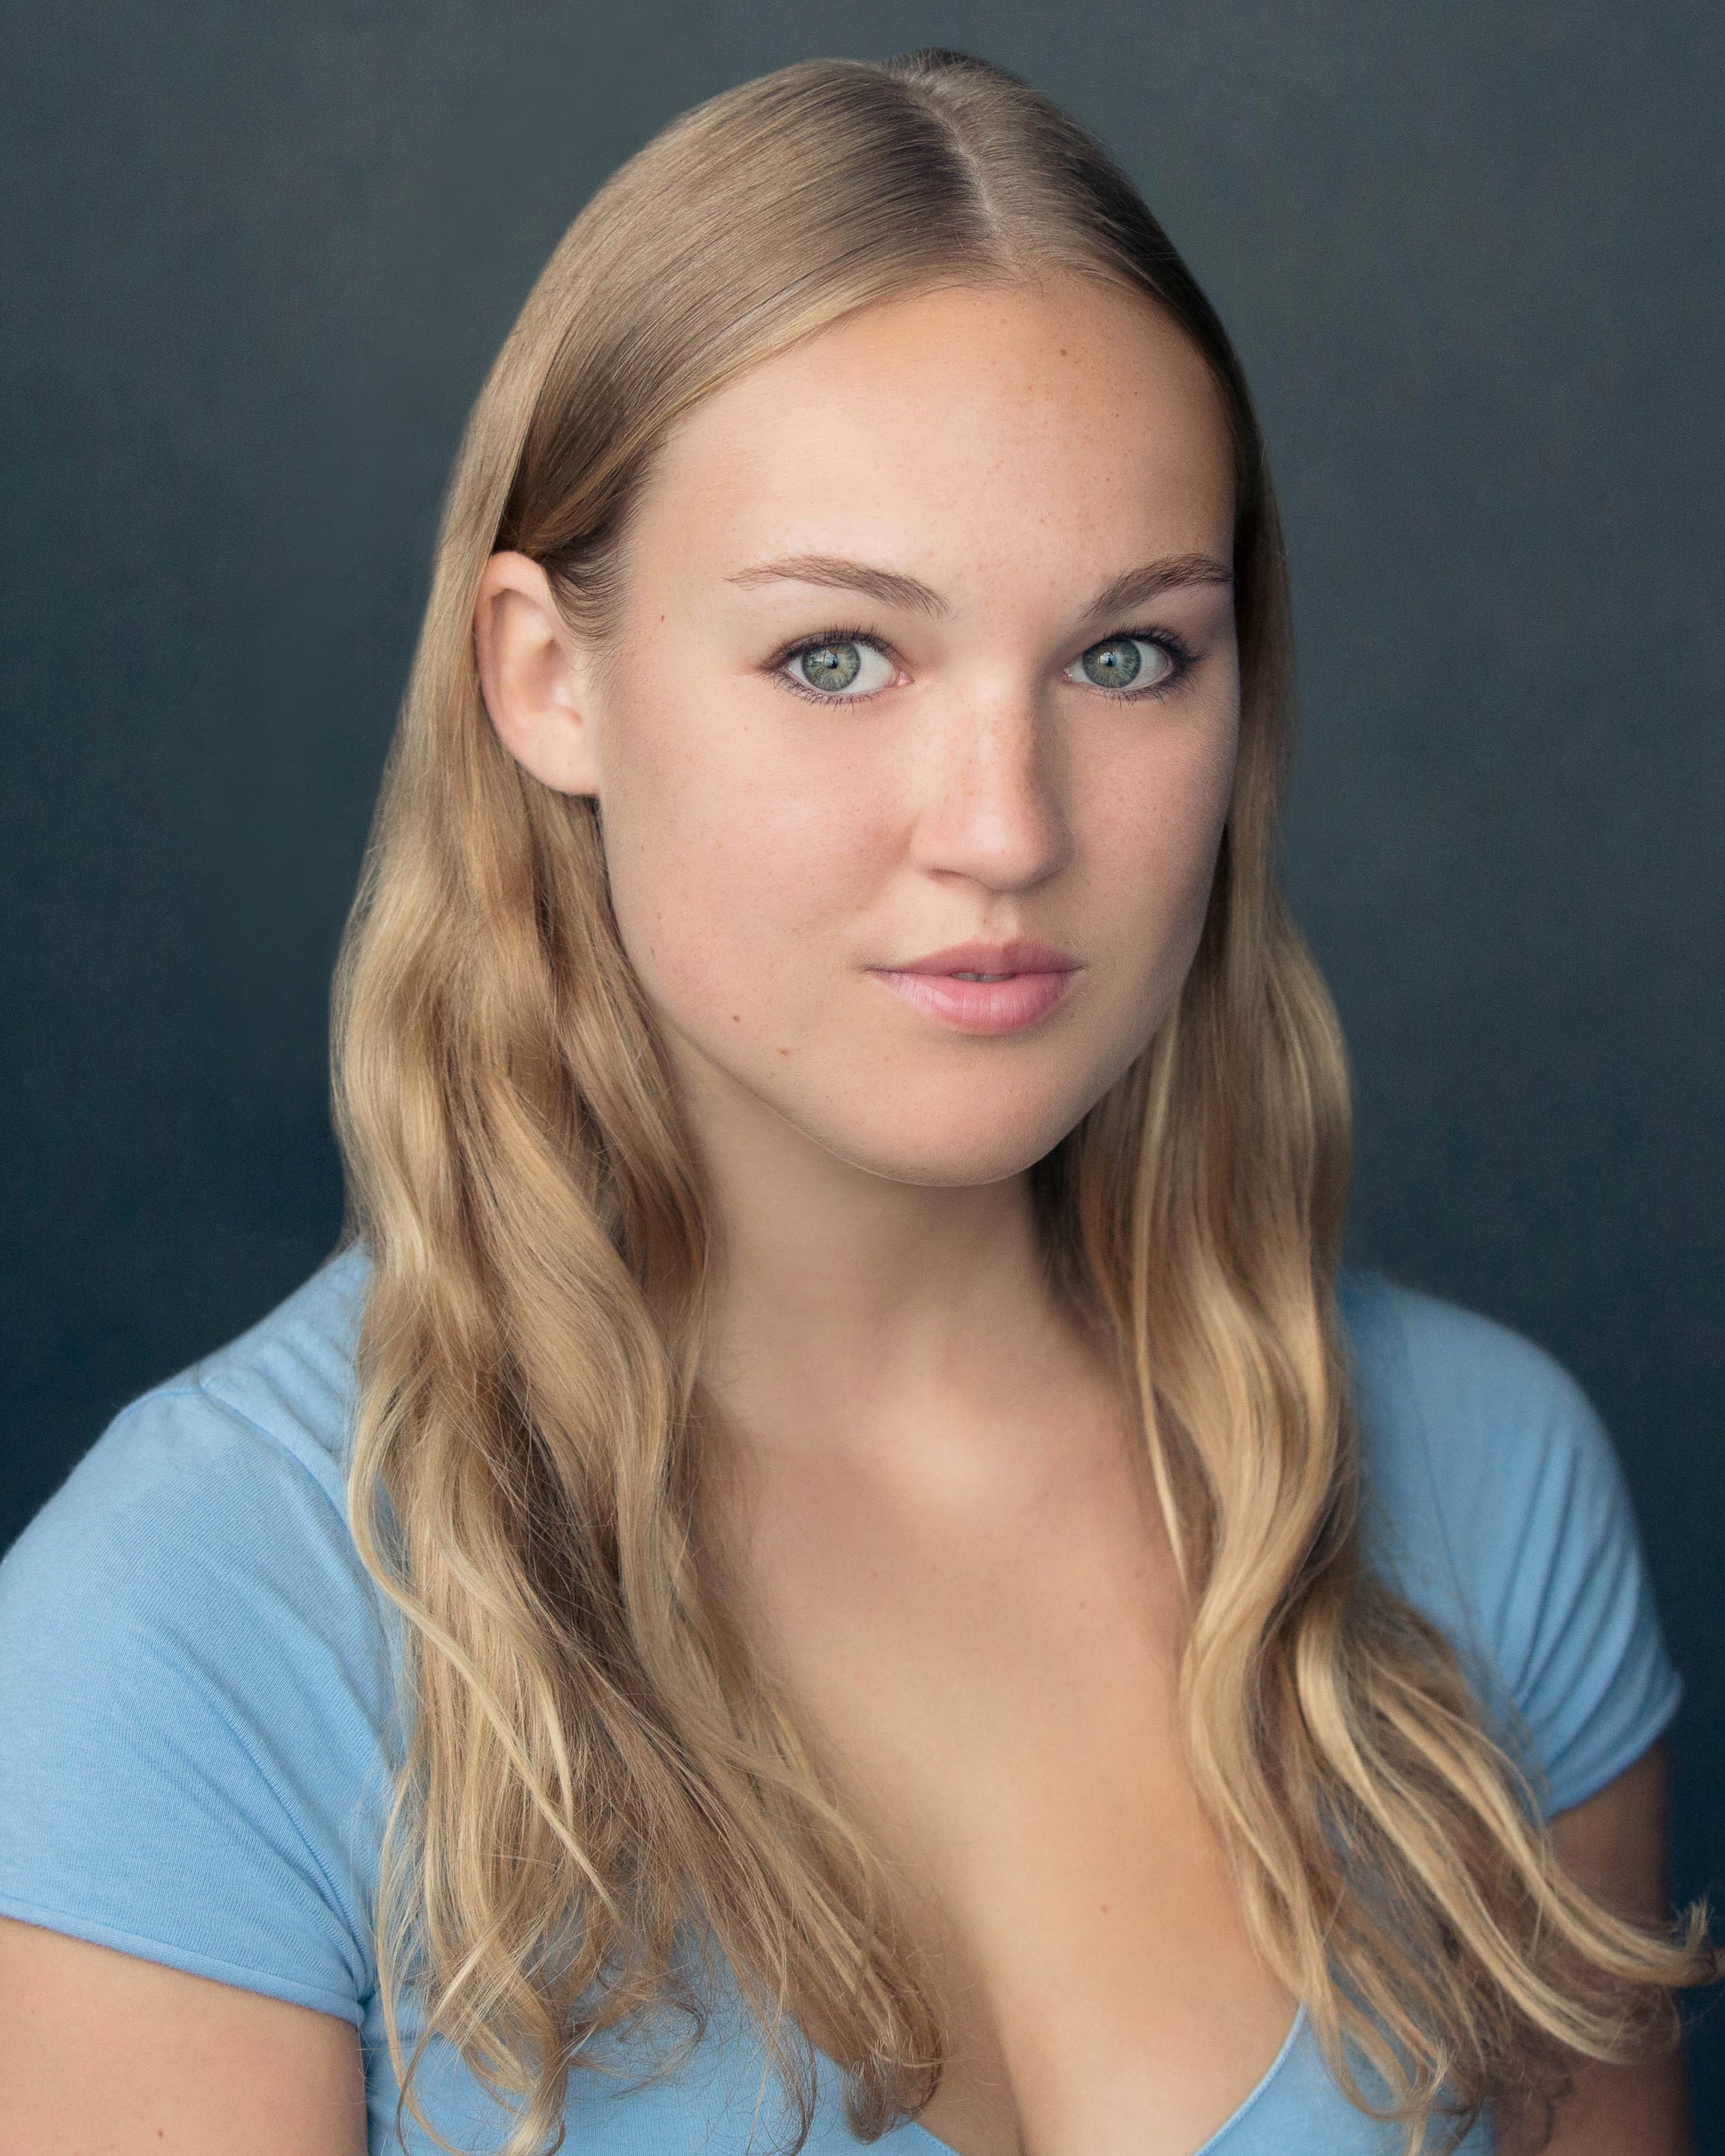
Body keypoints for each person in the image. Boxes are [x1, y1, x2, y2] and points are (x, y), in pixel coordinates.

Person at [0, 48, 1709, 2156]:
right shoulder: (193, 1626)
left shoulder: (1484, 1490)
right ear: (545, 678)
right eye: (838, 656)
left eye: (1127, 657)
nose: (1005, 828)